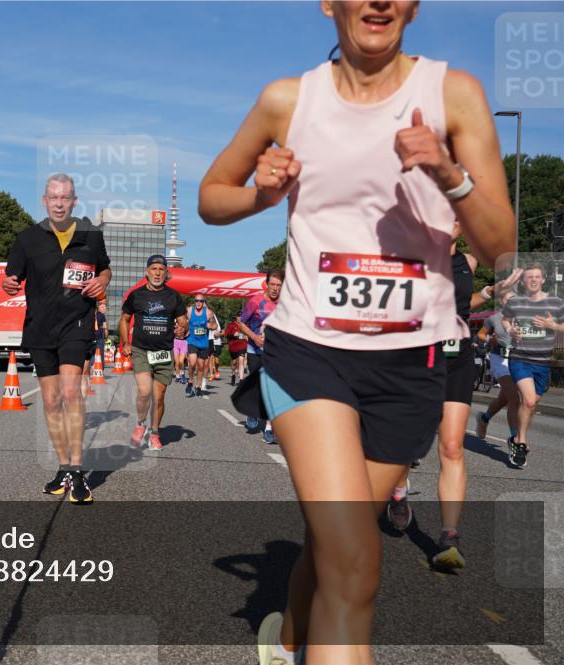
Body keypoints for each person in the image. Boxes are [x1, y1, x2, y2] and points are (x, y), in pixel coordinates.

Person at [199, 2, 514, 662]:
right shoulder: (289, 99)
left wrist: (448, 174)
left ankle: (286, 640)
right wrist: (261, 193)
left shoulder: (454, 94)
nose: (378, 2)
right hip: (310, 353)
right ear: (329, 3)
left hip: (409, 364)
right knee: (354, 561)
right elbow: (211, 195)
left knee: (334, 542)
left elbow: (501, 247)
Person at [387, 224, 490, 570]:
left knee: (451, 446)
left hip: (457, 356)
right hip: (416, 355)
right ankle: (398, 492)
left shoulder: (470, 263)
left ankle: (449, 537)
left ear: (460, 225)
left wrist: (487, 294)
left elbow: (465, 300)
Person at [3, 173, 110, 505]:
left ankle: (77, 471)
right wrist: (8, 284)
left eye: (65, 197)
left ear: (74, 201)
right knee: (50, 400)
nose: (60, 203)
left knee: (70, 392)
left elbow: (105, 268)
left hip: (76, 322)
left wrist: (103, 280)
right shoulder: (27, 239)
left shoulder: (91, 236)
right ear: (44, 200)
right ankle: (64, 466)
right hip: (39, 327)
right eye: (54, 197)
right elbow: (11, 277)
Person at [119, 255, 188, 450]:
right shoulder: (136, 295)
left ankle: (155, 432)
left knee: (159, 397)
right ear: (147, 272)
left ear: (166, 273)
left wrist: (183, 328)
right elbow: (124, 319)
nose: (157, 272)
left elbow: (183, 321)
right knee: (144, 391)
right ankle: (141, 424)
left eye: (161, 269)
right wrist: (125, 342)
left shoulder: (173, 296)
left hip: (164, 352)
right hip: (141, 350)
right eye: (154, 269)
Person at [501, 263, 564, 468]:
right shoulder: (516, 302)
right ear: (523, 281)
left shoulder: (555, 302)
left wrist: (552, 325)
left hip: (543, 362)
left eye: (537, 277)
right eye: (529, 277)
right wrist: (510, 330)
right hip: (520, 358)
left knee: (531, 404)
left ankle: (517, 438)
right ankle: (521, 443)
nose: (534, 280)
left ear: (543, 279)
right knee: (528, 401)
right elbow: (505, 320)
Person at [237, 269, 283, 443]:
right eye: (272, 284)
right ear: (267, 284)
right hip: (254, 350)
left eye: (279, 285)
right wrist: (254, 337)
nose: (275, 288)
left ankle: (270, 428)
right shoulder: (256, 301)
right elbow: (241, 323)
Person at [475, 280, 521, 441]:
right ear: (502, 301)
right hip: (498, 358)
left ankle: (484, 418)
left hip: (517, 360)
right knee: (515, 398)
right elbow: (480, 334)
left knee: (504, 399)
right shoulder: (494, 319)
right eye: (508, 300)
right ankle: (516, 438)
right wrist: (490, 340)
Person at [184, 295, 217, 397]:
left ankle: (198, 386)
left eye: (200, 301)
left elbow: (214, 325)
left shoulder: (208, 313)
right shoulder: (189, 311)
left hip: (203, 343)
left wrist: (210, 326)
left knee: (201, 367)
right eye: (196, 301)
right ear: (194, 302)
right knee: (192, 363)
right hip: (192, 341)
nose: (198, 302)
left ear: (203, 302)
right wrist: (185, 328)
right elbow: (181, 320)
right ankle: (190, 382)